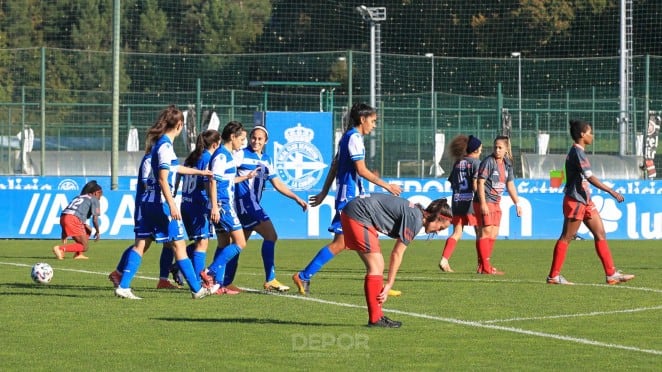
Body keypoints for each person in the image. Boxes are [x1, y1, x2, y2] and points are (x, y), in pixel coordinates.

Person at [292, 103, 402, 296]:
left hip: (352, 197)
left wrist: (324, 193)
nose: (374, 125)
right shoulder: (354, 138)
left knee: (363, 239)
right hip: (349, 199)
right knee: (343, 242)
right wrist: (387, 186)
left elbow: (335, 166)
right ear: (363, 119)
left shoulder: (347, 138)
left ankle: (377, 281)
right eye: (373, 121)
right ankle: (303, 275)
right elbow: (361, 170)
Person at [114, 105, 216, 300]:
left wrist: (200, 172)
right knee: (179, 245)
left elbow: (174, 168)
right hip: (161, 205)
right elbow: (163, 178)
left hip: (149, 203)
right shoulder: (166, 146)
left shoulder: (160, 143)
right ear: (179, 125)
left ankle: (124, 285)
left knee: (141, 244)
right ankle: (196, 289)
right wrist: (171, 203)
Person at [340, 193, 452, 327]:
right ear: (437, 218)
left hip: (356, 211)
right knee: (375, 267)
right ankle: (375, 319)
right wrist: (389, 284)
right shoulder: (415, 219)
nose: (438, 231)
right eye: (441, 227)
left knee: (377, 265)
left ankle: (377, 316)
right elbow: (397, 253)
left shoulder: (415, 215)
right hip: (358, 213)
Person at [546, 119, 635, 285]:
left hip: (585, 200)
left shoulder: (579, 152)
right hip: (576, 200)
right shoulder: (577, 153)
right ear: (582, 134)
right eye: (590, 132)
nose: (592, 136)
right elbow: (589, 177)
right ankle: (553, 276)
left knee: (600, 233)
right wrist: (610, 190)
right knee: (566, 237)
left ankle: (611, 274)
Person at [221, 125, 308, 292]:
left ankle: (224, 281)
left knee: (239, 244)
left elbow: (278, 184)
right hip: (245, 204)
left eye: (260, 139)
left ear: (265, 141)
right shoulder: (240, 154)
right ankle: (270, 279)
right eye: (253, 137)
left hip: (251, 205)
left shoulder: (267, 159)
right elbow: (227, 174)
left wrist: (296, 198)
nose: (256, 141)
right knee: (271, 235)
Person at [200, 121, 256, 295]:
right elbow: (213, 180)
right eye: (242, 138)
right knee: (240, 242)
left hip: (221, 204)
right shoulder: (222, 155)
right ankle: (210, 272)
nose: (243, 142)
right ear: (232, 137)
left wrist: (245, 177)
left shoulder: (227, 155)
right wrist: (215, 207)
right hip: (223, 205)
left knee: (224, 243)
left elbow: (226, 180)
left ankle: (217, 284)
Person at [177, 130, 221, 286]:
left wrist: (176, 190)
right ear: (216, 144)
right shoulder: (208, 158)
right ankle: (198, 281)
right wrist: (214, 203)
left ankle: (177, 267)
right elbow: (206, 182)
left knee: (198, 242)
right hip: (198, 205)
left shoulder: (192, 157)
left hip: (186, 203)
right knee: (203, 243)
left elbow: (178, 174)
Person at [474, 135, 522, 275]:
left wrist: (517, 203)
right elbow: (480, 182)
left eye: (500, 147)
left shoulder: (507, 164)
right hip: (486, 200)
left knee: (494, 233)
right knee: (486, 232)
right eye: (495, 147)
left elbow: (510, 185)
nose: (497, 150)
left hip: (496, 201)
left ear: (506, 149)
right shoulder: (489, 162)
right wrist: (483, 203)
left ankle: (483, 266)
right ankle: (486, 267)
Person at [439, 135, 482, 272]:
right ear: (475, 150)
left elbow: (452, 182)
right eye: (480, 148)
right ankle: (481, 265)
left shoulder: (458, 163)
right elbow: (476, 184)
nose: (481, 150)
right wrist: (481, 199)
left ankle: (444, 259)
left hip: (457, 201)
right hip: (471, 202)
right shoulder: (476, 163)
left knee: (457, 233)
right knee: (480, 233)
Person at [52, 180, 103, 260]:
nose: (100, 197)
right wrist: (98, 231)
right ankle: (61, 248)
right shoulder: (94, 199)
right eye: (101, 194)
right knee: (85, 247)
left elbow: (67, 212)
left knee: (87, 230)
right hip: (73, 219)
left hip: (64, 217)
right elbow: (95, 219)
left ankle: (78, 254)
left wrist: (64, 230)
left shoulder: (79, 197)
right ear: (96, 193)